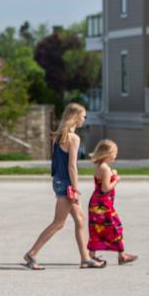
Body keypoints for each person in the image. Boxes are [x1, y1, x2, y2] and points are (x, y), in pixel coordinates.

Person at [23, 103, 107, 270]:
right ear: (75, 117)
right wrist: (75, 188)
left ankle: (85, 258)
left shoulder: (60, 135)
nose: (84, 119)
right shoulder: (73, 138)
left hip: (59, 181)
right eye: (83, 116)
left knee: (80, 219)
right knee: (58, 223)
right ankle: (31, 254)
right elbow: (72, 166)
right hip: (67, 184)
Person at [88, 139, 137, 265]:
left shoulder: (100, 166)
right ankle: (122, 255)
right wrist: (116, 179)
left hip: (96, 204)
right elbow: (105, 188)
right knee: (116, 227)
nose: (116, 156)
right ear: (107, 154)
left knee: (96, 229)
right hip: (104, 205)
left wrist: (112, 175)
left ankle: (91, 255)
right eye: (115, 153)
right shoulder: (105, 168)